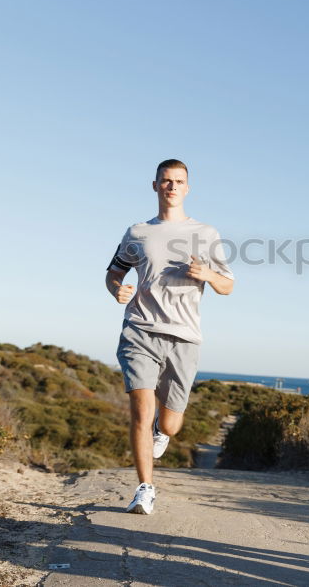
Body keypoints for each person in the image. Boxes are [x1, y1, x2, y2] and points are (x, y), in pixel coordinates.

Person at [105, 159, 234, 515]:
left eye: (179, 182)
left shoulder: (206, 234)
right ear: (155, 186)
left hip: (184, 337)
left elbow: (228, 286)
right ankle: (145, 488)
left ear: (187, 188)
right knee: (140, 411)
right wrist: (116, 289)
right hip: (140, 329)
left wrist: (207, 273)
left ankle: (164, 430)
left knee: (171, 423)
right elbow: (113, 272)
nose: (172, 187)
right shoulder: (137, 233)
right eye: (166, 181)